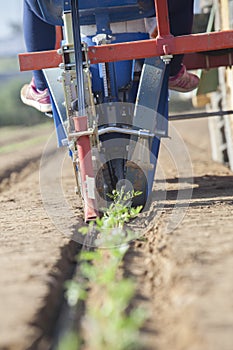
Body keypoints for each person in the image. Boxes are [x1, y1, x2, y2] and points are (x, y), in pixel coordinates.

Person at [20, 0, 199, 113]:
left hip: (70, 4)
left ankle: (43, 87)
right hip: (137, 4)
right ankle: (171, 70)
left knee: (34, 4)